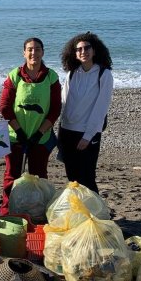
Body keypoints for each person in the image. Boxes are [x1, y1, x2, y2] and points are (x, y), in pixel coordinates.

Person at [0, 37, 61, 215]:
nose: (34, 53)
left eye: (38, 49)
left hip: (41, 137)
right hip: (15, 136)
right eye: (30, 49)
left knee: (39, 177)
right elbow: (4, 106)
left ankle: (39, 213)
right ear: (24, 52)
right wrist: (18, 130)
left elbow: (55, 110)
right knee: (12, 176)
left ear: (43, 52)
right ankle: (6, 213)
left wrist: (39, 134)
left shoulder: (51, 77)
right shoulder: (15, 75)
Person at [58, 31, 114, 193]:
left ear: (94, 50)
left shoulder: (104, 74)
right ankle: (79, 214)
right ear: (74, 54)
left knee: (87, 177)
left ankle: (96, 215)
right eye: (79, 49)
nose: (83, 52)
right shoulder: (72, 74)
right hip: (67, 131)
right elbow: (64, 103)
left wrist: (88, 136)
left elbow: (101, 108)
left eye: (87, 48)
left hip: (87, 134)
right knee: (72, 177)